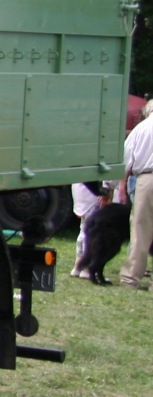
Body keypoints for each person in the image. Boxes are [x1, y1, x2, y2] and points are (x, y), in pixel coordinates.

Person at [119, 101, 153, 288]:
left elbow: (126, 159)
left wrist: (119, 187)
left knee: (140, 229)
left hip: (146, 180)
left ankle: (131, 277)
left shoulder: (140, 129)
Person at [71, 181, 111, 277]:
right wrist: (105, 190)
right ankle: (87, 268)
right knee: (94, 234)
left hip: (81, 190)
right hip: (93, 195)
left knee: (84, 230)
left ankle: (78, 266)